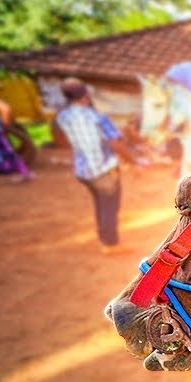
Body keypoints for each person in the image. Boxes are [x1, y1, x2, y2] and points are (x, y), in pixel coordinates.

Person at [55, 78, 130, 254]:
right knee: (109, 207)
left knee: (100, 203)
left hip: (83, 170)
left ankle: (104, 237)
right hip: (103, 169)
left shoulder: (63, 116)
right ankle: (110, 245)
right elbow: (115, 143)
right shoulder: (97, 117)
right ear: (86, 95)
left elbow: (63, 138)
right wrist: (132, 159)